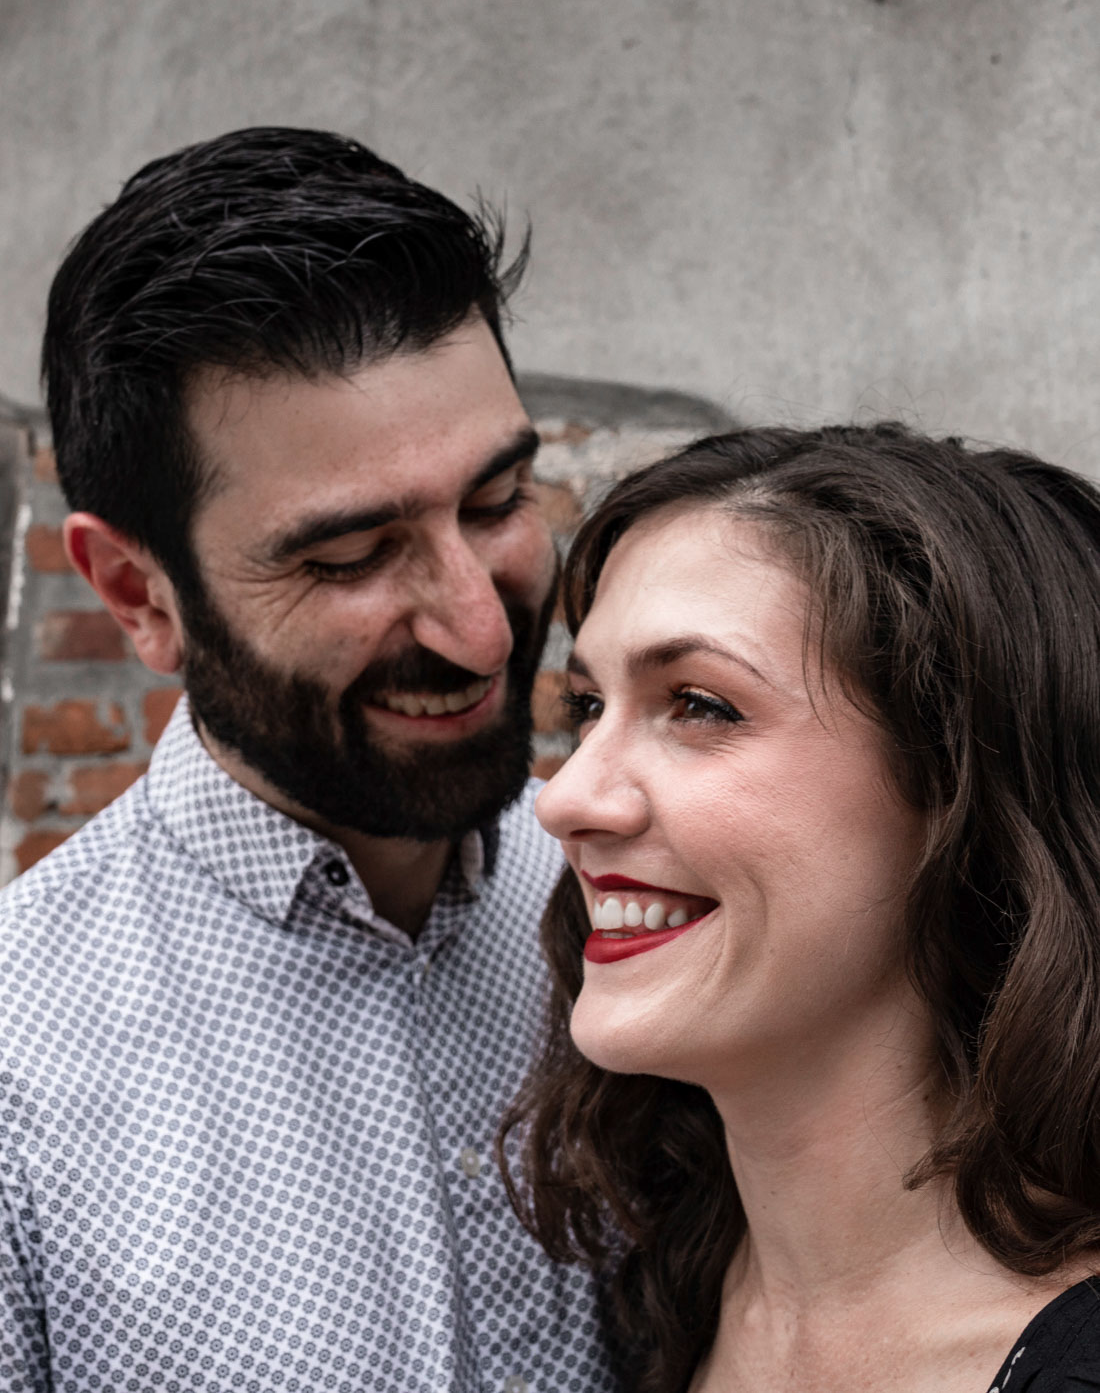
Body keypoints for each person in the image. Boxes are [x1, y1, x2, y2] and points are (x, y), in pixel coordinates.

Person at [0, 127, 618, 1392]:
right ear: (136, 592)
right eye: (347, 558)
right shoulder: (18, 1078)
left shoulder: (640, 905)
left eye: (498, 500)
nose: (481, 624)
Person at [502, 422, 1100, 1393]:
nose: (564, 798)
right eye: (586, 707)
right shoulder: (631, 1311)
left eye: (696, 704)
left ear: (958, 785)